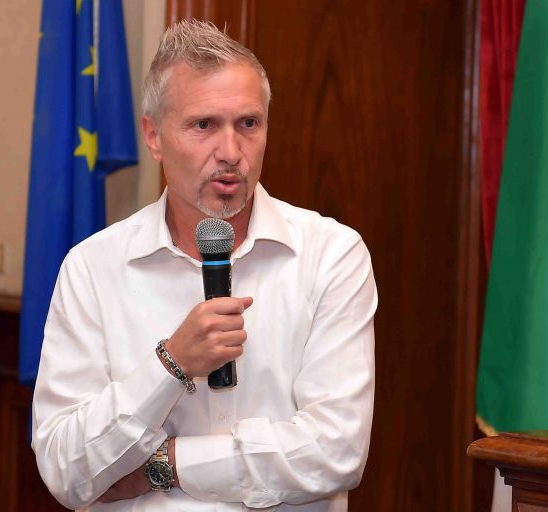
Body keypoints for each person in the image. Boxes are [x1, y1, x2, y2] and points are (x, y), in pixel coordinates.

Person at [32, 19, 377, 512]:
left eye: (248, 124)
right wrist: (171, 364)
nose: (231, 153)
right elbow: (65, 470)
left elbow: (336, 452)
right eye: (204, 126)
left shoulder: (331, 255)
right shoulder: (92, 267)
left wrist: (165, 464)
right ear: (153, 136)